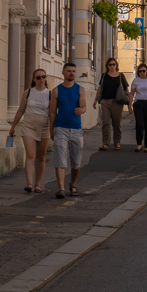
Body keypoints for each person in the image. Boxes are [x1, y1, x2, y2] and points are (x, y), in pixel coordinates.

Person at [8, 69, 51, 193]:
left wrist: (54, 128)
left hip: (44, 125)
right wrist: (12, 127)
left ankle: (37, 184)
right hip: (29, 125)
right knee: (31, 155)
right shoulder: (28, 92)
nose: (41, 79)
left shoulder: (50, 94)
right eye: (38, 77)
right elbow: (20, 110)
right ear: (34, 79)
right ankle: (29, 184)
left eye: (43, 77)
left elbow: (53, 112)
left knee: (41, 156)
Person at [49, 62, 86, 199]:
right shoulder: (56, 90)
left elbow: (84, 106)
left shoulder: (80, 89)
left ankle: (73, 183)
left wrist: (81, 110)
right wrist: (51, 129)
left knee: (76, 162)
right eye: (69, 71)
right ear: (63, 73)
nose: (71, 73)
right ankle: (61, 189)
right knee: (60, 160)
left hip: (76, 129)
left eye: (73, 71)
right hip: (61, 128)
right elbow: (53, 111)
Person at [93, 58, 129, 150]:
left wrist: (129, 101)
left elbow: (126, 89)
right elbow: (100, 88)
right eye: (110, 64)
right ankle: (105, 143)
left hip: (117, 102)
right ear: (107, 66)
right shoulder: (104, 75)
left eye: (113, 64)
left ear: (116, 65)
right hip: (105, 101)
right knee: (106, 122)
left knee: (117, 123)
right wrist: (95, 100)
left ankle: (117, 143)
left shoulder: (121, 76)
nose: (112, 66)